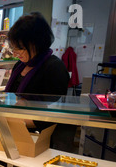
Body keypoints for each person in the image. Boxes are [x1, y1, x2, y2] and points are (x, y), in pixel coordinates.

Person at [5, 12, 75, 152]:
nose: (14, 53)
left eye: (20, 48)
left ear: (36, 43)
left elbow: (53, 114)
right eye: (13, 47)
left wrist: (14, 120)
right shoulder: (19, 66)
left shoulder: (54, 68)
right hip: (17, 135)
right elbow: (10, 98)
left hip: (43, 142)